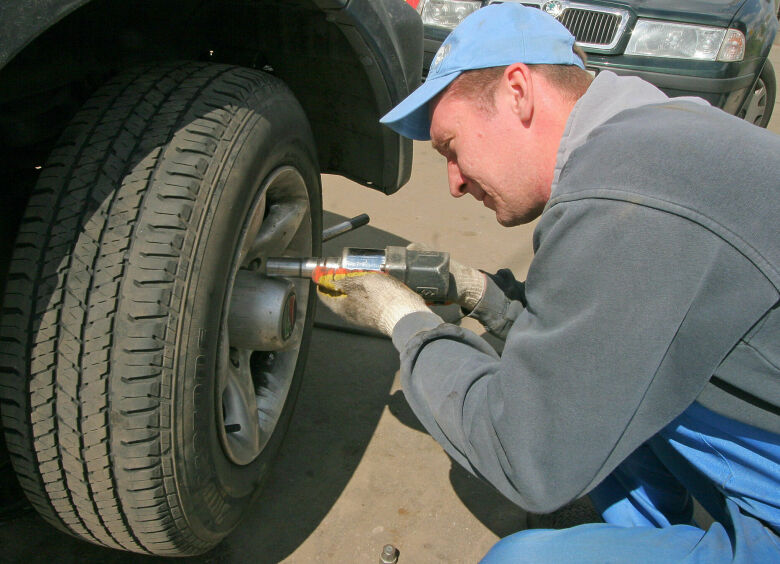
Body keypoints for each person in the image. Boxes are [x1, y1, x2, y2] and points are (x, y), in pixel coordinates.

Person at [313, 4, 780, 562]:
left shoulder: (622, 197)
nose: (455, 183)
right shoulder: (653, 136)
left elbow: (523, 456)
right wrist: (483, 296)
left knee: (522, 559)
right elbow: (591, 331)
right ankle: (644, 538)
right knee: (592, 380)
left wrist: (405, 324)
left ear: (517, 91)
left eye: (451, 147)